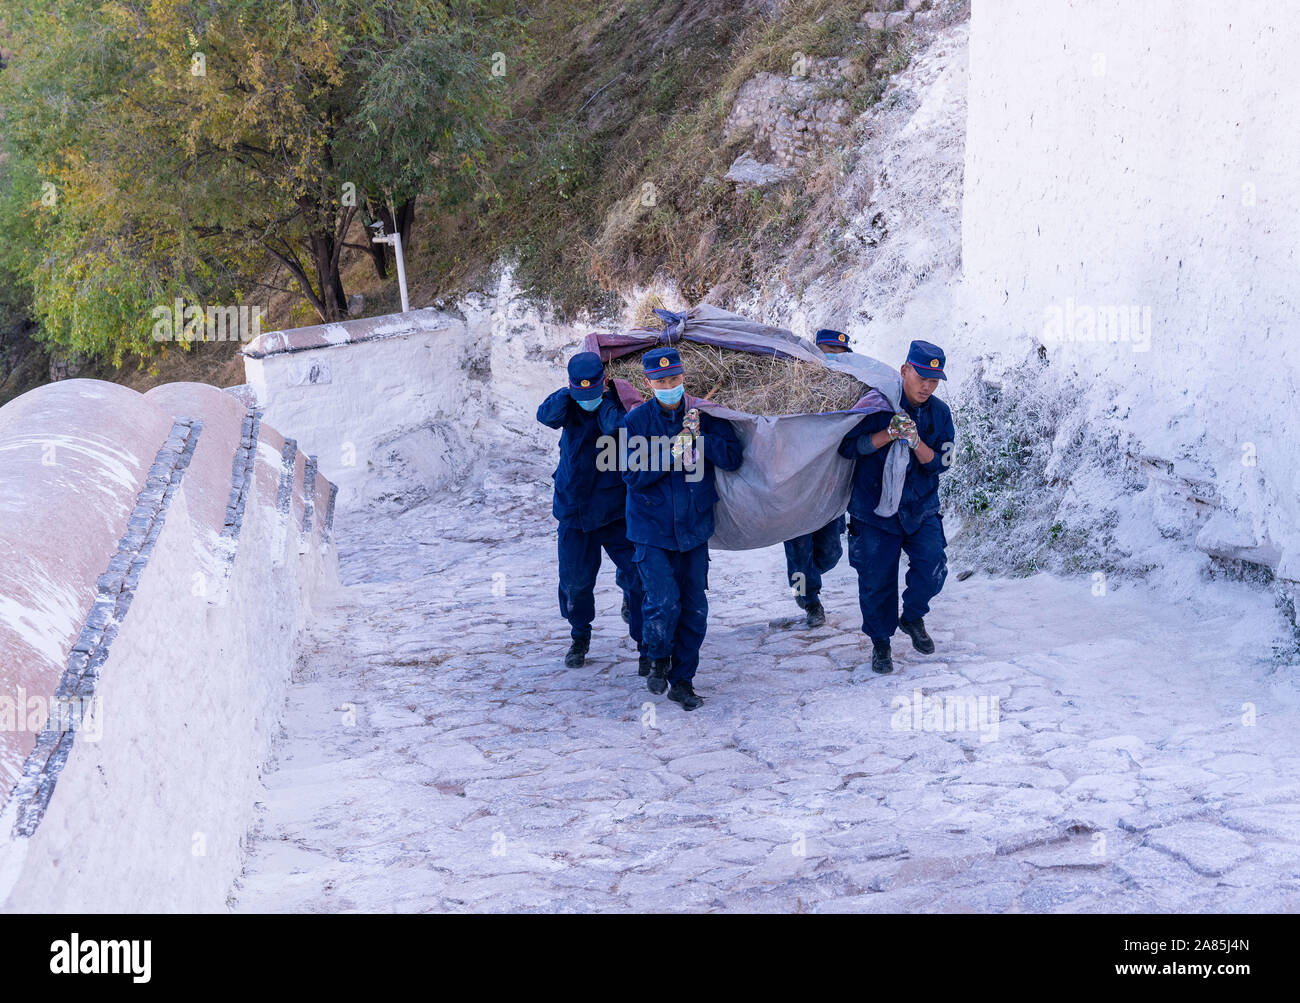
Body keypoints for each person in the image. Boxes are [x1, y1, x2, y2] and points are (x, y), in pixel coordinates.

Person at [621, 347, 744, 710]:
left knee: (694, 609)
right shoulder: (635, 423)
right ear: (648, 383)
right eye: (661, 381)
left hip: (693, 528)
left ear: (683, 377)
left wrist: (701, 440)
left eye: (674, 379)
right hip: (651, 529)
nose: (669, 385)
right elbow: (632, 474)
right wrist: (674, 451)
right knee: (661, 602)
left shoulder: (703, 414)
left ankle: (683, 681)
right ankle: (657, 656)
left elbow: (733, 458)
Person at [838, 340, 956, 674]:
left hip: (920, 507)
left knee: (934, 568)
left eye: (934, 381)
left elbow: (942, 462)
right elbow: (849, 448)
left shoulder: (940, 414)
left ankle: (913, 616)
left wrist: (916, 442)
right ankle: (881, 644)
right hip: (873, 510)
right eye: (921, 377)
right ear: (904, 371)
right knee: (876, 581)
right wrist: (888, 434)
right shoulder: (875, 405)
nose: (927, 386)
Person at [537, 351, 645, 670]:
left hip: (615, 511)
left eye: (592, 392)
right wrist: (571, 393)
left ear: (604, 381)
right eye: (580, 391)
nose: (587, 399)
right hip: (574, 511)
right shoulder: (568, 404)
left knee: (639, 576)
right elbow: (545, 416)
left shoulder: (615, 403)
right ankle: (579, 635)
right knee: (574, 584)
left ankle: (645, 643)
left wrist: (604, 401)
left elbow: (617, 427)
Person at [782, 328, 853, 626]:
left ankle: (806, 581)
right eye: (827, 355)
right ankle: (808, 599)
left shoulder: (851, 394)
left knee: (831, 552)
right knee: (799, 552)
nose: (832, 362)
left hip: (829, 490)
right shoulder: (793, 391)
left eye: (838, 356)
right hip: (795, 490)